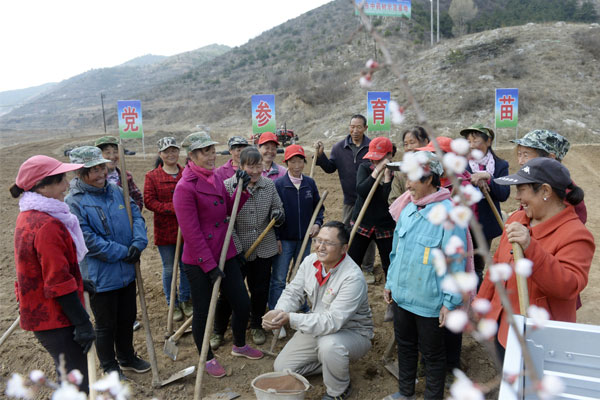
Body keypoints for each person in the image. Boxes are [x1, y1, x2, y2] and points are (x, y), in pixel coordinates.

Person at [476, 158, 594, 359]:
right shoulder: (517, 219)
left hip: (539, 340)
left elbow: (568, 286)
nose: (517, 197)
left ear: (546, 191)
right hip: (502, 326)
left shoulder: (576, 235)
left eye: (522, 190)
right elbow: (497, 266)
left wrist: (531, 247)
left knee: (529, 389)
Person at [173, 132, 263, 379]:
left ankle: (239, 345)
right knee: (203, 311)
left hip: (226, 252)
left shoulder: (214, 179)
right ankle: (207, 357)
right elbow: (191, 234)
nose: (211, 155)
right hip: (200, 261)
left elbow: (228, 209)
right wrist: (209, 266)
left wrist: (242, 189)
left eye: (212, 150)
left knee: (242, 303)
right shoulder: (184, 188)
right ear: (191, 156)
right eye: (205, 151)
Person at [383, 152, 467, 400]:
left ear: (430, 178)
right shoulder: (408, 208)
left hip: (429, 302)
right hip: (401, 295)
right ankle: (405, 392)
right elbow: (395, 252)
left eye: (413, 179)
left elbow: (457, 262)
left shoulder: (450, 214)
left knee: (432, 354)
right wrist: (390, 283)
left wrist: (450, 302)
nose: (407, 185)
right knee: (406, 347)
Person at [263, 221, 373, 400]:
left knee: (330, 346)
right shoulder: (310, 261)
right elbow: (293, 292)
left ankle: (338, 390)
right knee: (282, 367)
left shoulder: (352, 277)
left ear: (344, 248)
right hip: (317, 324)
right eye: (318, 240)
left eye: (328, 243)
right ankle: (334, 365)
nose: (320, 247)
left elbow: (332, 322)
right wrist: (279, 311)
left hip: (352, 332)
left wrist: (290, 318)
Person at [11, 155, 94, 393]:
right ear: (43, 186)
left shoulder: (28, 215)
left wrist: (79, 282)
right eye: (61, 181)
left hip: (44, 311)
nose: (67, 185)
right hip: (55, 317)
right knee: (77, 382)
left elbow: (44, 267)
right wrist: (82, 323)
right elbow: (57, 281)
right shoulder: (48, 225)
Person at [65, 146, 150, 379]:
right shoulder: (74, 202)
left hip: (127, 270)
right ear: (80, 173)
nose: (102, 172)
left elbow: (136, 216)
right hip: (100, 276)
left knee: (127, 317)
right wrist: (124, 252)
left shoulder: (116, 190)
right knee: (105, 324)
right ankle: (110, 365)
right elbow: (88, 241)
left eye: (102, 166)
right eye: (94, 169)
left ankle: (126, 357)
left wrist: (138, 243)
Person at [213, 147, 285, 347]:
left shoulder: (269, 185)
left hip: (264, 246)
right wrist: (236, 249)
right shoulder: (229, 186)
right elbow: (227, 221)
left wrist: (278, 215)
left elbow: (278, 207)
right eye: (250, 166)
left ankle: (256, 325)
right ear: (241, 166)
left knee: (260, 289)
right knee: (229, 293)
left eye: (258, 166)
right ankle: (218, 330)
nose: (255, 171)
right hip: (236, 250)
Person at [269, 144, 324, 338]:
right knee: (279, 278)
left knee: (302, 276)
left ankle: (300, 306)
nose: (297, 164)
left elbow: (320, 208)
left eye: (300, 160)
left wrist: (317, 224)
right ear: (287, 163)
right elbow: (272, 215)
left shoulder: (309, 183)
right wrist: (276, 238)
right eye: (293, 161)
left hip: (305, 239)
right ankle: (277, 316)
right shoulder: (279, 185)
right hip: (285, 239)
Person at [314, 114, 376, 283]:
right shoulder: (339, 147)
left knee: (368, 234)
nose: (355, 130)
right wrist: (320, 156)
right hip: (349, 200)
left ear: (365, 128)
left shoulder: (371, 147)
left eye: (358, 127)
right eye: (352, 127)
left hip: (368, 199)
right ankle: (348, 263)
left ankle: (367, 268)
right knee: (347, 233)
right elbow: (329, 168)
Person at [144, 137, 191, 322]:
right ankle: (173, 301)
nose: (171, 154)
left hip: (186, 229)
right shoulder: (152, 176)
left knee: (186, 267)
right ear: (160, 154)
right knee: (170, 269)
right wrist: (172, 208)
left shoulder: (186, 173)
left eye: (174, 150)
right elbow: (149, 200)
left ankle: (186, 299)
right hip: (165, 230)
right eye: (166, 151)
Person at [460, 124, 510, 288]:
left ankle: (475, 300)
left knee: (478, 266)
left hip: (485, 225)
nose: (471, 143)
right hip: (462, 223)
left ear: (488, 141)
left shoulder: (500, 165)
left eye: (475, 139)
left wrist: (489, 178)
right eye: (468, 140)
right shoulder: (461, 163)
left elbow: (503, 195)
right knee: (461, 264)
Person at [512, 129, 586, 224]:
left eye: (526, 155)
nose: (520, 161)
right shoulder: (533, 184)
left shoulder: (564, 195)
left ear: (551, 158)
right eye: (519, 155)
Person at [348, 137, 395, 279]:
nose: (375, 162)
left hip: (385, 224)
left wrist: (387, 177)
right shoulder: (365, 168)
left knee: (389, 264)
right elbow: (362, 190)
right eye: (373, 159)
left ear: (389, 155)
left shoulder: (396, 173)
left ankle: (391, 294)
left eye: (379, 159)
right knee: (352, 261)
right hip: (363, 221)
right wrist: (377, 171)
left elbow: (389, 200)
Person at [95, 136, 144, 211]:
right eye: (107, 153)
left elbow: (137, 198)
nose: (112, 157)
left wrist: (133, 213)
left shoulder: (126, 177)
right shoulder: (93, 179)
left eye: (115, 152)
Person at [389, 126, 430, 204]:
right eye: (405, 144)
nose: (408, 147)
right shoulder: (400, 170)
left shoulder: (435, 167)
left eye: (412, 143)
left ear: (425, 142)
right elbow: (393, 200)